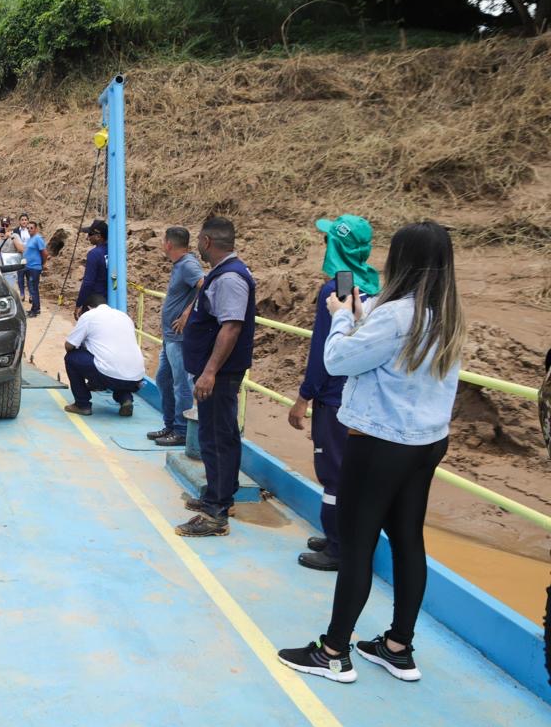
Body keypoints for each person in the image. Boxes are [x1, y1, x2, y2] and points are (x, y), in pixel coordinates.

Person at [278, 221, 464, 684]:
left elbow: (337, 360)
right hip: (425, 443)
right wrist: (363, 316)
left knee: (358, 543)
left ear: (400, 259)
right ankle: (398, 647)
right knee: (407, 540)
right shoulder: (447, 314)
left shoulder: (396, 315)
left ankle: (333, 651)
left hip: (380, 443)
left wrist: (342, 315)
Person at [288, 215, 381, 572]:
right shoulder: (372, 286)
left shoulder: (335, 292)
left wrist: (303, 398)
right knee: (350, 471)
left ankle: (338, 548)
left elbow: (323, 353)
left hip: (333, 398)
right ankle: (339, 537)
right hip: (360, 398)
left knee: (332, 472)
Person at [176, 217, 256, 538]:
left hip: (219, 375)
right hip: (217, 372)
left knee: (216, 438)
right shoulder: (222, 274)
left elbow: (231, 325)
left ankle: (216, 513)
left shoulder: (231, 278)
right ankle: (219, 494)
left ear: (207, 242)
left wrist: (209, 371)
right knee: (219, 434)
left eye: (199, 239)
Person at [148, 227, 204, 448]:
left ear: (169, 244)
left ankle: (180, 430)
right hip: (170, 337)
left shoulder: (188, 265)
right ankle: (170, 424)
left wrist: (187, 312)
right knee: (164, 379)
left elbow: (205, 285)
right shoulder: (180, 265)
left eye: (163, 241)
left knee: (181, 384)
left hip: (179, 339)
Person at [62, 292, 145, 417]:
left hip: (109, 375)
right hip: (136, 379)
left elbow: (69, 346)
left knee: (71, 358)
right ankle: (125, 399)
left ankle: (82, 404)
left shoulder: (89, 316)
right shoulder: (124, 316)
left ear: (88, 307)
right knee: (114, 365)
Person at [75, 220, 109, 318]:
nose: (88, 237)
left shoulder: (94, 254)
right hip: (108, 300)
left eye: (90, 234)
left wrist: (79, 304)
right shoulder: (113, 252)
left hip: (95, 301)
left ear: (98, 236)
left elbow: (88, 282)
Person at [23, 220, 48, 317]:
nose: (29, 230)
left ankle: (36, 310)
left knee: (34, 288)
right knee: (31, 288)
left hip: (35, 268)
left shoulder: (38, 238)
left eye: (31, 228)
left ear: (36, 229)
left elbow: (45, 253)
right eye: (28, 228)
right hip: (29, 267)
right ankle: (34, 308)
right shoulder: (31, 238)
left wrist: (42, 263)